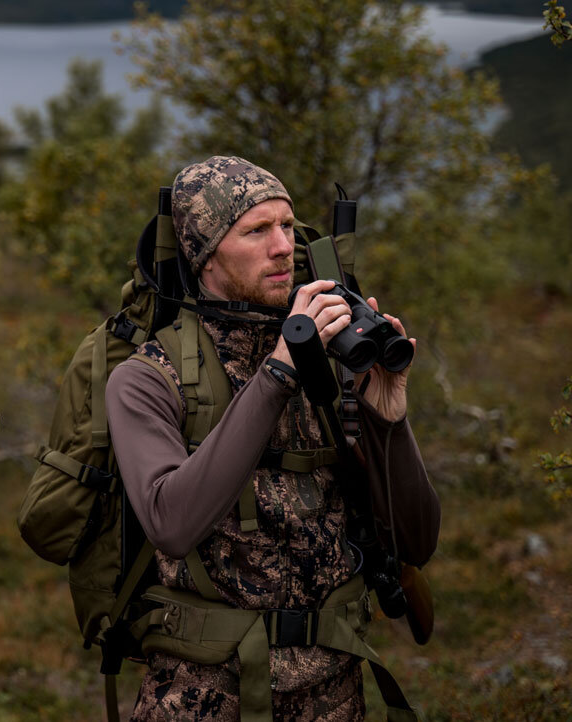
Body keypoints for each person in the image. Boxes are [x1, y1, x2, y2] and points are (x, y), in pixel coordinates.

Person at [104, 156, 440, 720]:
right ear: (204, 252)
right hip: (203, 697)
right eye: (256, 231)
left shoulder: (336, 358)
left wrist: (389, 419)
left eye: (287, 226)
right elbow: (171, 524)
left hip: (336, 692)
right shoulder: (147, 377)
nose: (284, 247)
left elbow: (418, 543)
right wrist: (280, 372)